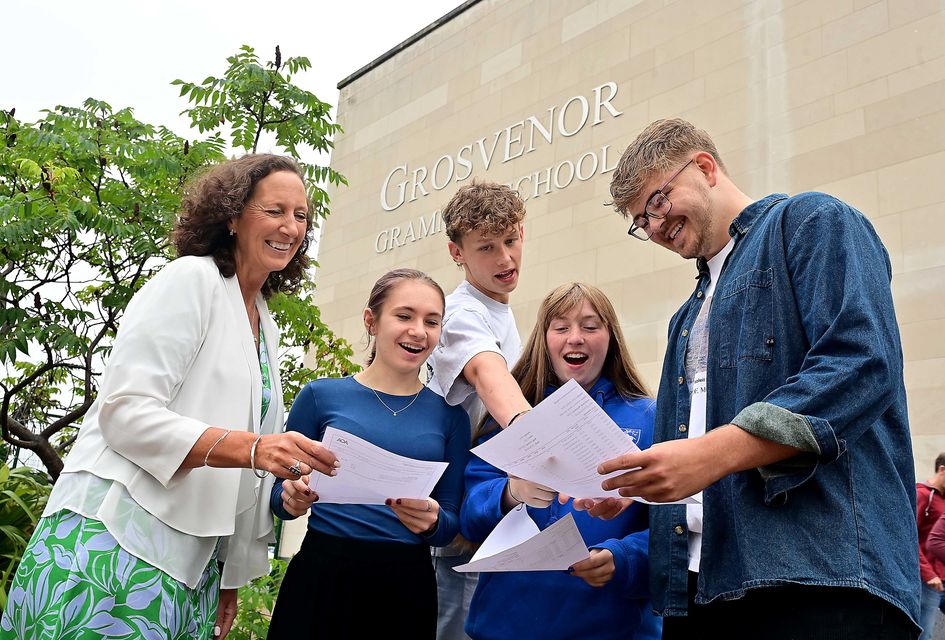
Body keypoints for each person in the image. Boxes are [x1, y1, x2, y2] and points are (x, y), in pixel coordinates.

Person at [594, 118, 919, 638]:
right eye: (641, 221)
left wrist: (710, 455)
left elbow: (860, 363)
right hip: (700, 586)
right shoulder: (685, 318)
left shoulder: (811, 221)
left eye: (656, 202)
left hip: (820, 577)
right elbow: (702, 455)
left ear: (704, 167)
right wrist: (644, 491)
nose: (654, 227)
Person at [0, 154, 339, 640]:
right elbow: (125, 412)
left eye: (301, 215)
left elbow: (249, 464)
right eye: (275, 210)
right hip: (114, 540)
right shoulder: (191, 280)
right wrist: (251, 447)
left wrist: (231, 570)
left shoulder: (265, 324)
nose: (290, 226)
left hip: (192, 565)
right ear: (232, 216)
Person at [267, 269, 470, 639]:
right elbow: (278, 492)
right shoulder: (319, 396)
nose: (418, 331)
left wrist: (433, 521)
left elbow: (450, 522)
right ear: (371, 321)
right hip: (322, 574)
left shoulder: (451, 417)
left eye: (432, 321)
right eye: (404, 316)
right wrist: (290, 497)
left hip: (406, 585)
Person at [460, 282, 660, 640]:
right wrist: (511, 492)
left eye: (590, 325)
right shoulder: (510, 415)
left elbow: (675, 528)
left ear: (610, 336)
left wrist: (623, 558)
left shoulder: (651, 417)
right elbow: (470, 517)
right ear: (545, 339)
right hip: (504, 624)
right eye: (562, 327)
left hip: (612, 627)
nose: (576, 337)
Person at [426, 181, 534, 639]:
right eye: (487, 247)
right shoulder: (460, 314)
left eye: (511, 240)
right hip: (451, 517)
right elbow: (490, 378)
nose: (505, 259)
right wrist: (541, 439)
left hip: (486, 510)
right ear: (457, 252)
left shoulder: (499, 310)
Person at [918, 454, 945, 640]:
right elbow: (909, 536)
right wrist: (928, 573)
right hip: (927, 581)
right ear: (942, 470)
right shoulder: (922, 495)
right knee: (924, 634)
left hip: (942, 578)